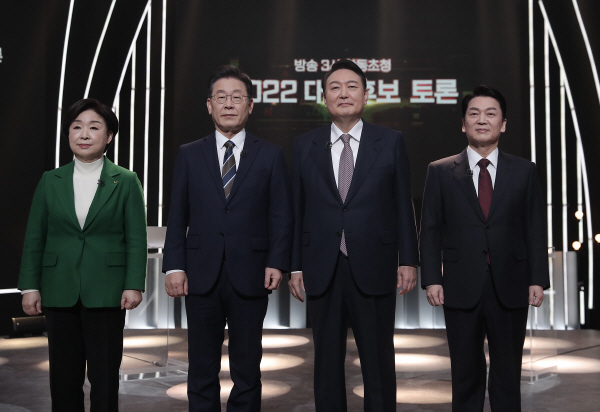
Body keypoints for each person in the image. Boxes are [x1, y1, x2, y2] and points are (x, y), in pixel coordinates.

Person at [288, 59, 420, 411]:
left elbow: (402, 203)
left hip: (375, 264)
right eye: (335, 87)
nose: (343, 93)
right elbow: (296, 210)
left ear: (365, 95)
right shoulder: (305, 145)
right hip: (322, 267)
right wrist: (295, 266)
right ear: (324, 98)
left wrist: (408, 259)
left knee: (378, 362)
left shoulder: (390, 141)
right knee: (326, 364)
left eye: (351, 86)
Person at [162, 65, 293, 412]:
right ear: (209, 105)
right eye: (221, 97)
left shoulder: (270, 154)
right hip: (200, 272)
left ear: (250, 105)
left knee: (247, 366)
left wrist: (277, 261)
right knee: (201, 365)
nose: (229, 104)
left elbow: (281, 215)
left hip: (251, 271)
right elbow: (177, 215)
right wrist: (174, 266)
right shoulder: (189, 153)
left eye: (237, 97)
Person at [419, 85, 550, 411]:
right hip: (460, 284)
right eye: (474, 114)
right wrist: (432, 278)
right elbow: (430, 229)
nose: (482, 120)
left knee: (508, 374)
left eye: (490, 114)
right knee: (465, 374)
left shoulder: (524, 171)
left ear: (502, 124)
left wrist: (538, 279)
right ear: (463, 123)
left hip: (511, 282)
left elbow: (534, 228)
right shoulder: (440, 171)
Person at [18, 98, 147, 411]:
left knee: (105, 377)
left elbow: (136, 238)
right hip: (58, 288)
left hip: (107, 291)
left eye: (94, 127)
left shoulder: (126, 180)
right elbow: (35, 237)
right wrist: (30, 286)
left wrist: (134, 284)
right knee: (63, 377)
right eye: (76, 127)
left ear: (109, 136)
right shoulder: (51, 180)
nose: (84, 134)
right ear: (69, 134)